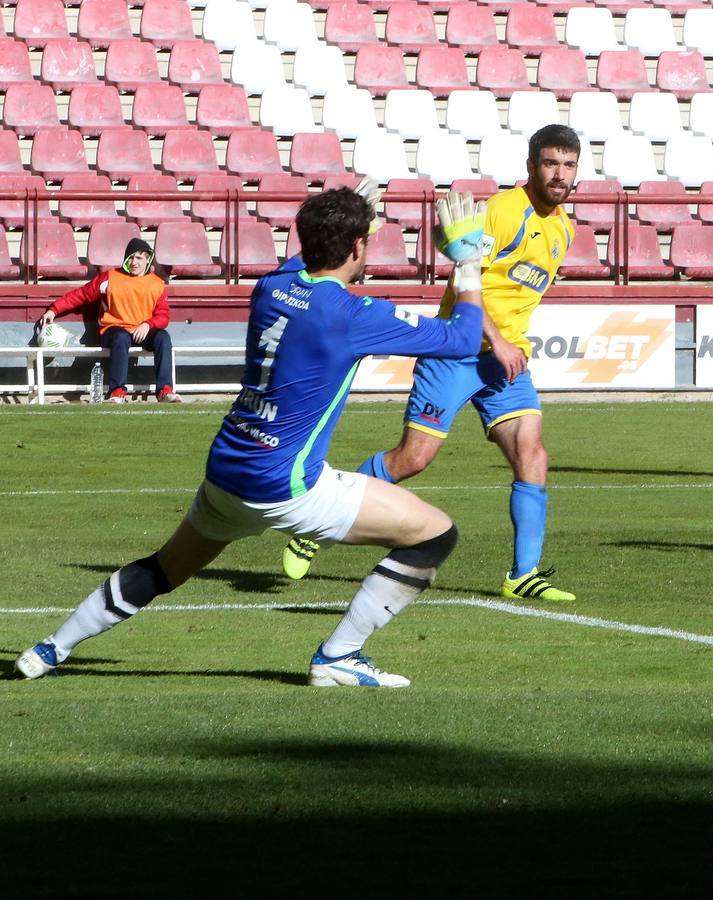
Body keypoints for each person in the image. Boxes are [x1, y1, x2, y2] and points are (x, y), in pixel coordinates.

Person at [14, 187, 490, 687]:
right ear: (357, 246)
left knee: (163, 569)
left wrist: (338, 225)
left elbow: (303, 265)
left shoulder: (269, 288)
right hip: (285, 487)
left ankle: (50, 649)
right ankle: (338, 656)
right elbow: (460, 338)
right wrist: (468, 261)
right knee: (436, 534)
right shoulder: (352, 314)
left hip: (228, 469)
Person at [282, 124, 582, 603]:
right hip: (456, 351)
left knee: (534, 455)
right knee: (413, 459)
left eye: (568, 165)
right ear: (530, 166)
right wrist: (498, 340)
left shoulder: (563, 228)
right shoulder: (503, 212)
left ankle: (522, 575)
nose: (559, 174)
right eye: (550, 163)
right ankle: (315, 526)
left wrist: (510, 346)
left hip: (503, 364)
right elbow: (467, 280)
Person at [38, 237, 182, 403]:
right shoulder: (110, 277)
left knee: (163, 337)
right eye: (131, 258)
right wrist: (54, 309)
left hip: (141, 331)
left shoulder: (157, 284)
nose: (134, 262)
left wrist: (148, 325)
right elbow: (81, 295)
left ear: (148, 259)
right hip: (113, 330)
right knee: (121, 337)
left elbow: (163, 316)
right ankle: (117, 392)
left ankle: (165, 391)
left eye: (139, 258)